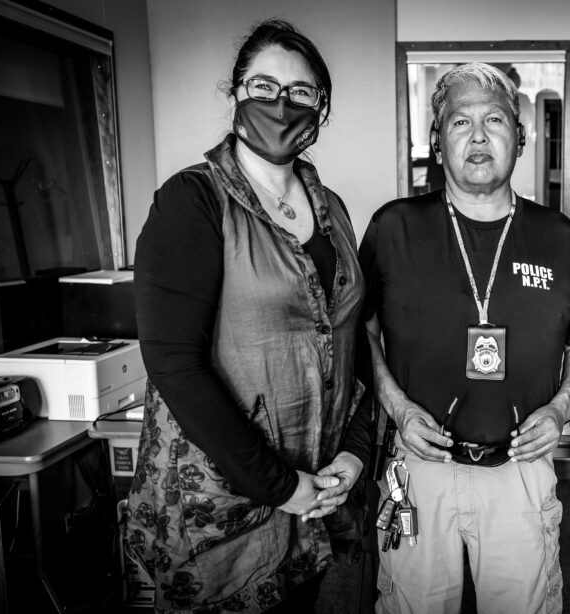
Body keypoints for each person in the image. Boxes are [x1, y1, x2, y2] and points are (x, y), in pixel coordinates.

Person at [124, 19, 372, 613]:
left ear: (322, 109)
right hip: (224, 507)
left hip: (315, 494)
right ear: (236, 93)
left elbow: (349, 340)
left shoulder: (330, 209)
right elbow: (172, 363)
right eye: (263, 86)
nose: (280, 104)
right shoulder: (191, 200)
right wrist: (281, 486)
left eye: (301, 92)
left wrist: (353, 452)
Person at [360, 62, 570, 614]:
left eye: (495, 120)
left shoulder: (557, 237)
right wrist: (397, 408)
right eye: (460, 122)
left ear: (522, 137)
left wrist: (560, 410)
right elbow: (360, 333)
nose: (480, 135)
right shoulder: (394, 228)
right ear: (438, 144)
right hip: (420, 466)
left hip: (519, 471)